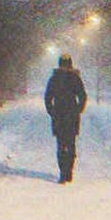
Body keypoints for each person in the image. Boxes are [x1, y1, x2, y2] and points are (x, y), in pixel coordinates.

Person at [44, 54, 87, 184]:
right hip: (71, 116)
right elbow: (82, 96)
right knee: (70, 144)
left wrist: (51, 111)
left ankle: (63, 172)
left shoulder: (54, 78)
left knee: (61, 145)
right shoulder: (75, 78)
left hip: (59, 115)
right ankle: (68, 171)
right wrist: (78, 109)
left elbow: (48, 97)